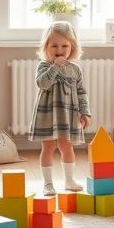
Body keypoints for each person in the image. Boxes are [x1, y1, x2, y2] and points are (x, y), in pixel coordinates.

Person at [28, 22, 92, 196]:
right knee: (47, 148)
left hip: (68, 114)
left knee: (67, 147)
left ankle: (69, 180)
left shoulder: (75, 69)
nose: (60, 49)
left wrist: (84, 112)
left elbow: (81, 92)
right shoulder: (43, 66)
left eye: (65, 45)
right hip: (48, 113)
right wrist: (55, 66)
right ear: (46, 47)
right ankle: (48, 183)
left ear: (72, 47)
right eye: (54, 45)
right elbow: (43, 83)